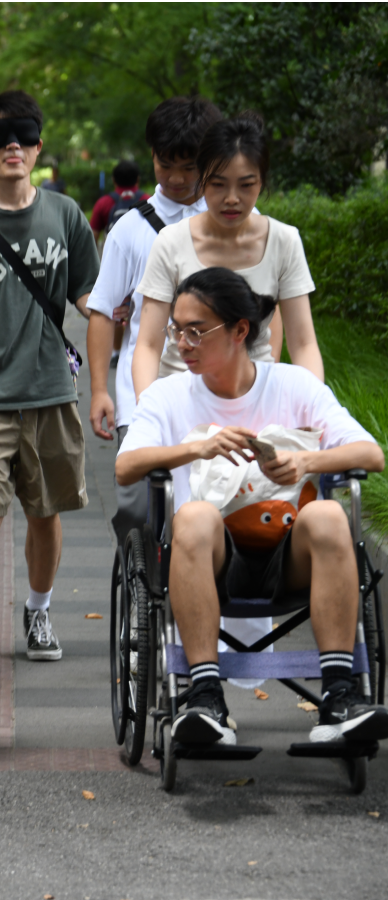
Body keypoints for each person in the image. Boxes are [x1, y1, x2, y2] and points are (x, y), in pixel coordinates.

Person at [116, 268, 387, 746]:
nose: (182, 342)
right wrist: (196, 449)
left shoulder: (293, 386)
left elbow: (371, 455)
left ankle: (339, 698)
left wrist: (305, 459)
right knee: (195, 514)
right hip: (208, 561)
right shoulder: (169, 394)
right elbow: (126, 466)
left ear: (241, 330)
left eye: (196, 330)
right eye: (177, 330)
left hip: (289, 558)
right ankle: (204, 698)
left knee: (327, 513)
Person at [0, 91, 99, 681]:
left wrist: (123, 315)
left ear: (37, 147)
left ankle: (39, 612)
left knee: (47, 512)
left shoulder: (65, 214)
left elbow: (87, 295)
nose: (14, 147)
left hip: (53, 390)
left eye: (25, 137)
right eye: (1, 138)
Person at [87, 96, 221, 541]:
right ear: (152, 158)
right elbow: (104, 311)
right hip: (141, 386)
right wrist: (101, 390)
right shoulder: (130, 229)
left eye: (190, 167)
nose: (179, 179)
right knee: (141, 504)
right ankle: (148, 582)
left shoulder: (235, 222)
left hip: (219, 386)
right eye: (167, 166)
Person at [132, 112, 323, 400]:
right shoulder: (171, 242)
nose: (232, 198)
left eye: (246, 185)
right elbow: (148, 344)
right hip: (182, 396)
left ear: (262, 182)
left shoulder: (284, 241)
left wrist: (313, 408)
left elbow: (304, 343)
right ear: (202, 179)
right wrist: (148, 411)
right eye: (218, 184)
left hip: (257, 400)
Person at [89, 160, 150, 242]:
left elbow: (92, 238)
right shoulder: (148, 201)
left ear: (114, 180)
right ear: (138, 179)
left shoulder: (103, 203)